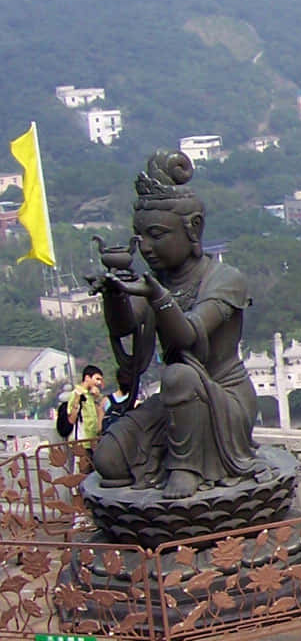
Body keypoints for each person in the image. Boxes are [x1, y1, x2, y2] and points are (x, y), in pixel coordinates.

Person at [89, 150, 260, 498]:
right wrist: (114, 294)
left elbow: (189, 338)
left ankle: (187, 467)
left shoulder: (225, 279)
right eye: (140, 238)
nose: (146, 248)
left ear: (192, 227)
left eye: (156, 235)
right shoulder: (155, 280)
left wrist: (157, 295)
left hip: (222, 399)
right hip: (175, 401)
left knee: (179, 373)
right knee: (108, 460)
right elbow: (124, 329)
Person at [66, 365, 105, 441]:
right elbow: (71, 420)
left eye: (100, 380)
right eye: (97, 379)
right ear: (87, 378)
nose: (99, 382)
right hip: (81, 441)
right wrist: (77, 400)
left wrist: (96, 398)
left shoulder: (91, 395)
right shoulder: (76, 393)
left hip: (93, 439)